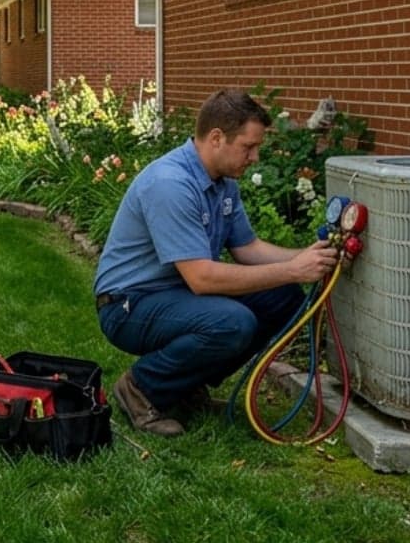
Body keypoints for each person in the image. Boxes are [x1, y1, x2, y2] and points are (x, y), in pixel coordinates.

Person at [93, 88, 338, 437]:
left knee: (283, 299)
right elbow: (202, 279)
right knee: (233, 323)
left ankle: (185, 386)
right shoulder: (170, 184)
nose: (255, 157)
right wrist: (291, 270)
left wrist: (311, 256)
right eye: (248, 147)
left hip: (175, 294)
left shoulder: (222, 182)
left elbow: (247, 248)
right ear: (217, 138)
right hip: (127, 305)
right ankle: (140, 388)